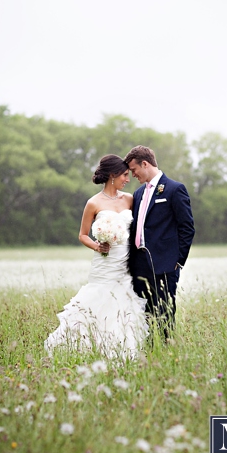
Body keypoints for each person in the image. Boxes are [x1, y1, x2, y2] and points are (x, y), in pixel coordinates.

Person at [45, 155, 148, 360]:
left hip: (125, 265)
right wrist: (97, 246)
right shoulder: (93, 203)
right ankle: (90, 348)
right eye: (124, 175)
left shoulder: (129, 199)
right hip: (104, 264)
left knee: (124, 305)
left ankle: (124, 352)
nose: (127, 179)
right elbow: (82, 234)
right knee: (97, 302)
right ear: (112, 175)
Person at [124, 145, 195, 341]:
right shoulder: (137, 194)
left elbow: (187, 228)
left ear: (144, 164)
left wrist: (178, 261)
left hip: (165, 263)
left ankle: (166, 350)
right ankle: (148, 350)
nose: (133, 175)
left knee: (164, 312)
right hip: (139, 264)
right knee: (143, 312)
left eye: (134, 170)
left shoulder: (174, 189)